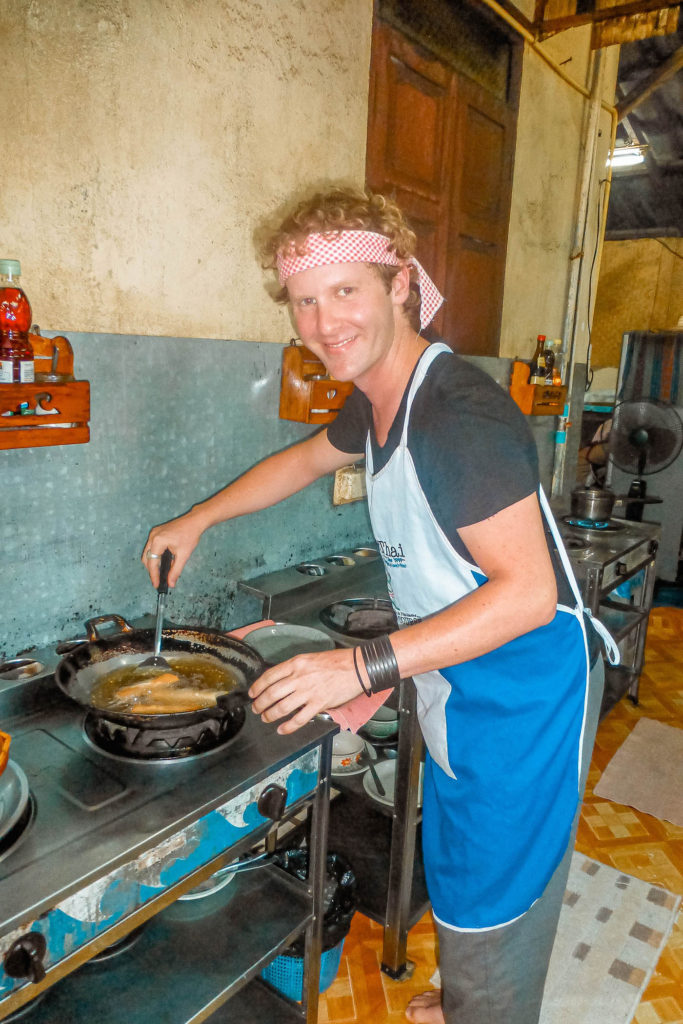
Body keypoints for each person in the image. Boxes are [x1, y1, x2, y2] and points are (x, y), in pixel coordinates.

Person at [143, 185, 610, 1024]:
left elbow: (529, 596)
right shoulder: (380, 396)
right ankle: (464, 993)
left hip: (521, 702)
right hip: (461, 682)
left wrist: (360, 662)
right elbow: (303, 461)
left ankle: (486, 1006)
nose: (323, 323)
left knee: (498, 891)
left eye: (345, 292)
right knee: (459, 862)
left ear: (399, 285)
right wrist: (198, 518)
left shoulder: (455, 417)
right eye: (304, 303)